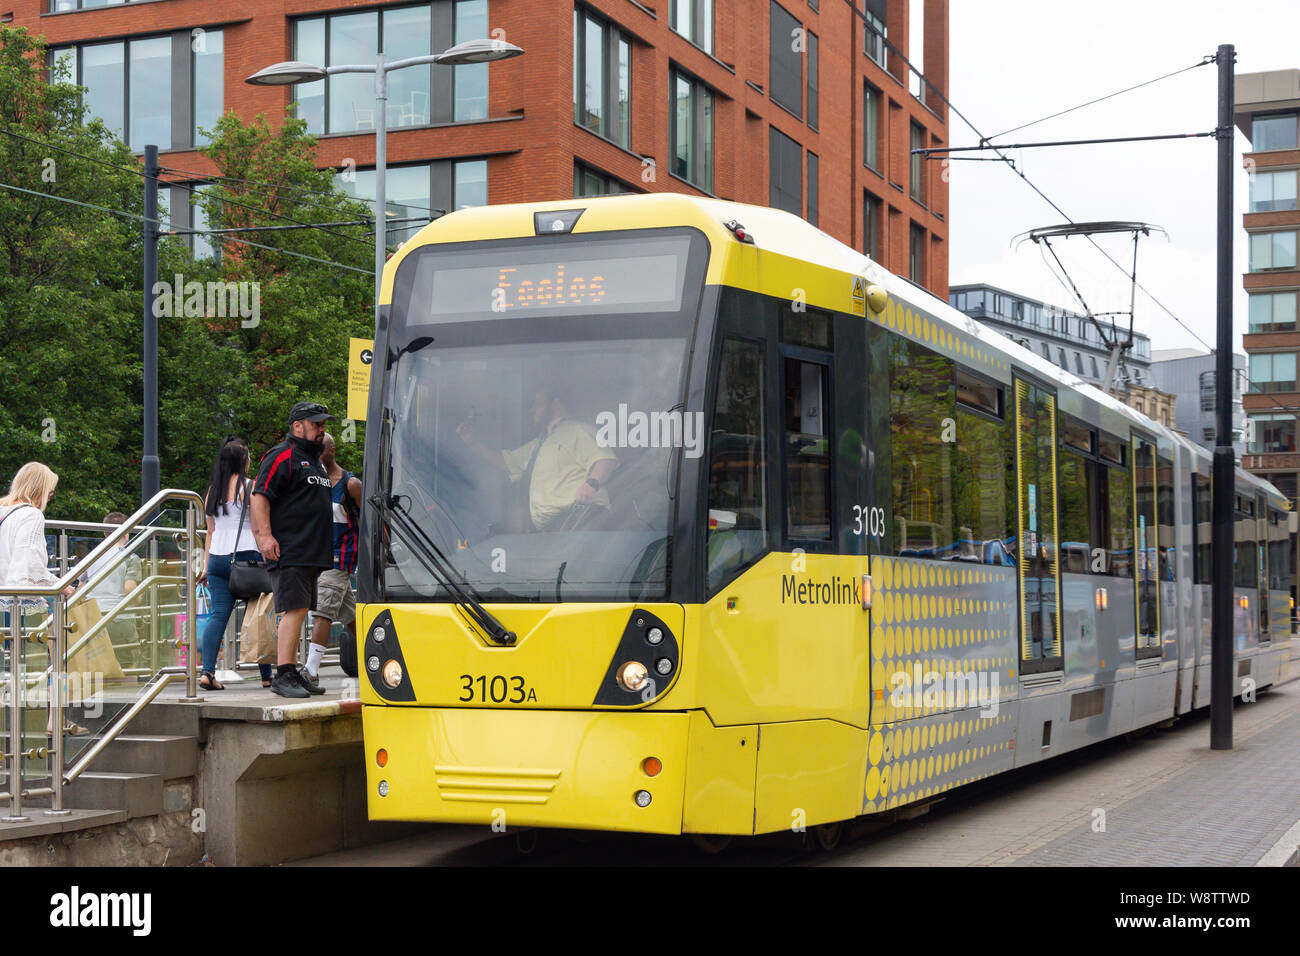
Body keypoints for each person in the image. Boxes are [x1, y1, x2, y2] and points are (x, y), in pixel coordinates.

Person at [250, 402, 335, 698]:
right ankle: (283, 674)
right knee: (294, 609)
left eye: (323, 424)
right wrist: (265, 536)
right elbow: (260, 495)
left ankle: (293, 671)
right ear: (297, 426)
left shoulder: (315, 460)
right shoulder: (282, 455)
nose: (321, 428)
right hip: (290, 548)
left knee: (301, 611)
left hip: (310, 552)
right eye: (315, 424)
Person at [455, 386, 618, 531]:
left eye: (537, 404)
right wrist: (473, 443)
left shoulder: (578, 430)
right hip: (556, 529)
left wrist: (591, 485)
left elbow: (605, 460)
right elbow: (507, 462)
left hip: (582, 520)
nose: (531, 410)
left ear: (556, 404)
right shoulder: (540, 443)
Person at [0, 462, 84, 737]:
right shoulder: (32, 516)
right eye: (50, 492)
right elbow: (29, 564)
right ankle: (54, 720)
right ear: (40, 489)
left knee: (13, 664)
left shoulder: (3, 512)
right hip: (26, 602)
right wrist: (59, 585)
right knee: (56, 661)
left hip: (3, 599)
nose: (50, 497)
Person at [196, 437, 272, 691]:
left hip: (218, 558)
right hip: (247, 558)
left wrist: (206, 566)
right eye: (248, 456)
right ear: (243, 460)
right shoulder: (250, 487)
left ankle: (207, 672)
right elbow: (260, 527)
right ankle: (266, 675)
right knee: (259, 614)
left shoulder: (211, 491)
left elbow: (210, 532)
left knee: (218, 616)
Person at [303, 432, 361, 689]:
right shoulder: (313, 482)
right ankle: (392, 654)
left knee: (323, 611)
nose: (314, 454)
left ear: (331, 451)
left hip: (340, 558)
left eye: (319, 449)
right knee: (351, 616)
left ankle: (311, 670)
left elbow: (370, 521)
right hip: (317, 556)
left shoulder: (351, 484)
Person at [77, 512, 143, 671]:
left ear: (104, 533)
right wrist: (140, 598)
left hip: (93, 618)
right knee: (128, 664)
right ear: (127, 534)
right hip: (120, 618)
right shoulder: (130, 557)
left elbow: (80, 589)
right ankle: (129, 694)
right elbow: (130, 590)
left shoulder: (91, 557)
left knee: (100, 665)